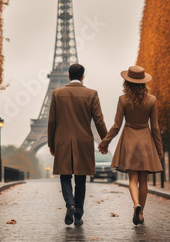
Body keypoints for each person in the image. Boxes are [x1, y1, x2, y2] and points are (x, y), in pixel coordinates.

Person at [98, 65, 163, 225]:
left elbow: (116, 126)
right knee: (144, 181)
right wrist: (159, 148)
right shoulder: (152, 100)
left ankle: (136, 204)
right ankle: (141, 214)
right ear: (143, 82)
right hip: (146, 141)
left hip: (129, 140)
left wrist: (104, 142)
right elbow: (154, 127)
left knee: (132, 179)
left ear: (127, 83)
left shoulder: (123, 99)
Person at [48, 63, 108, 226]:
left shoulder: (57, 94)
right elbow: (99, 120)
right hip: (83, 141)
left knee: (65, 176)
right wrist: (105, 141)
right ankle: (79, 214)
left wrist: (51, 143)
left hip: (63, 140)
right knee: (81, 179)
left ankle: (70, 204)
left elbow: (52, 121)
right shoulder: (91, 94)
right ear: (83, 76)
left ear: (68, 76)